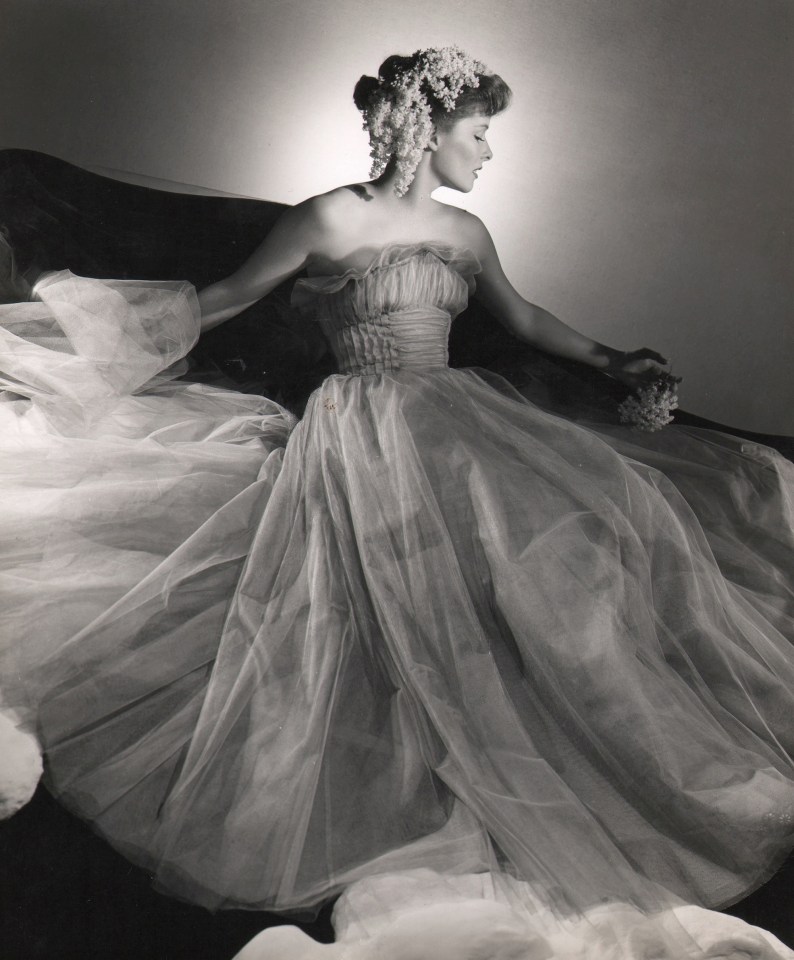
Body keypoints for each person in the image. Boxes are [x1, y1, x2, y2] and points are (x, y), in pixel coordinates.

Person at [0, 46, 792, 958]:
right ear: (429, 127)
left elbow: (526, 320)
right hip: (357, 426)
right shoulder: (326, 218)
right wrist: (98, 342)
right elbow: (227, 299)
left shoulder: (467, 232)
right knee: (366, 590)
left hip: (461, 419)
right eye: (480, 132)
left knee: (586, 532)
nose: (488, 152)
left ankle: (564, 735)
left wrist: (614, 361)